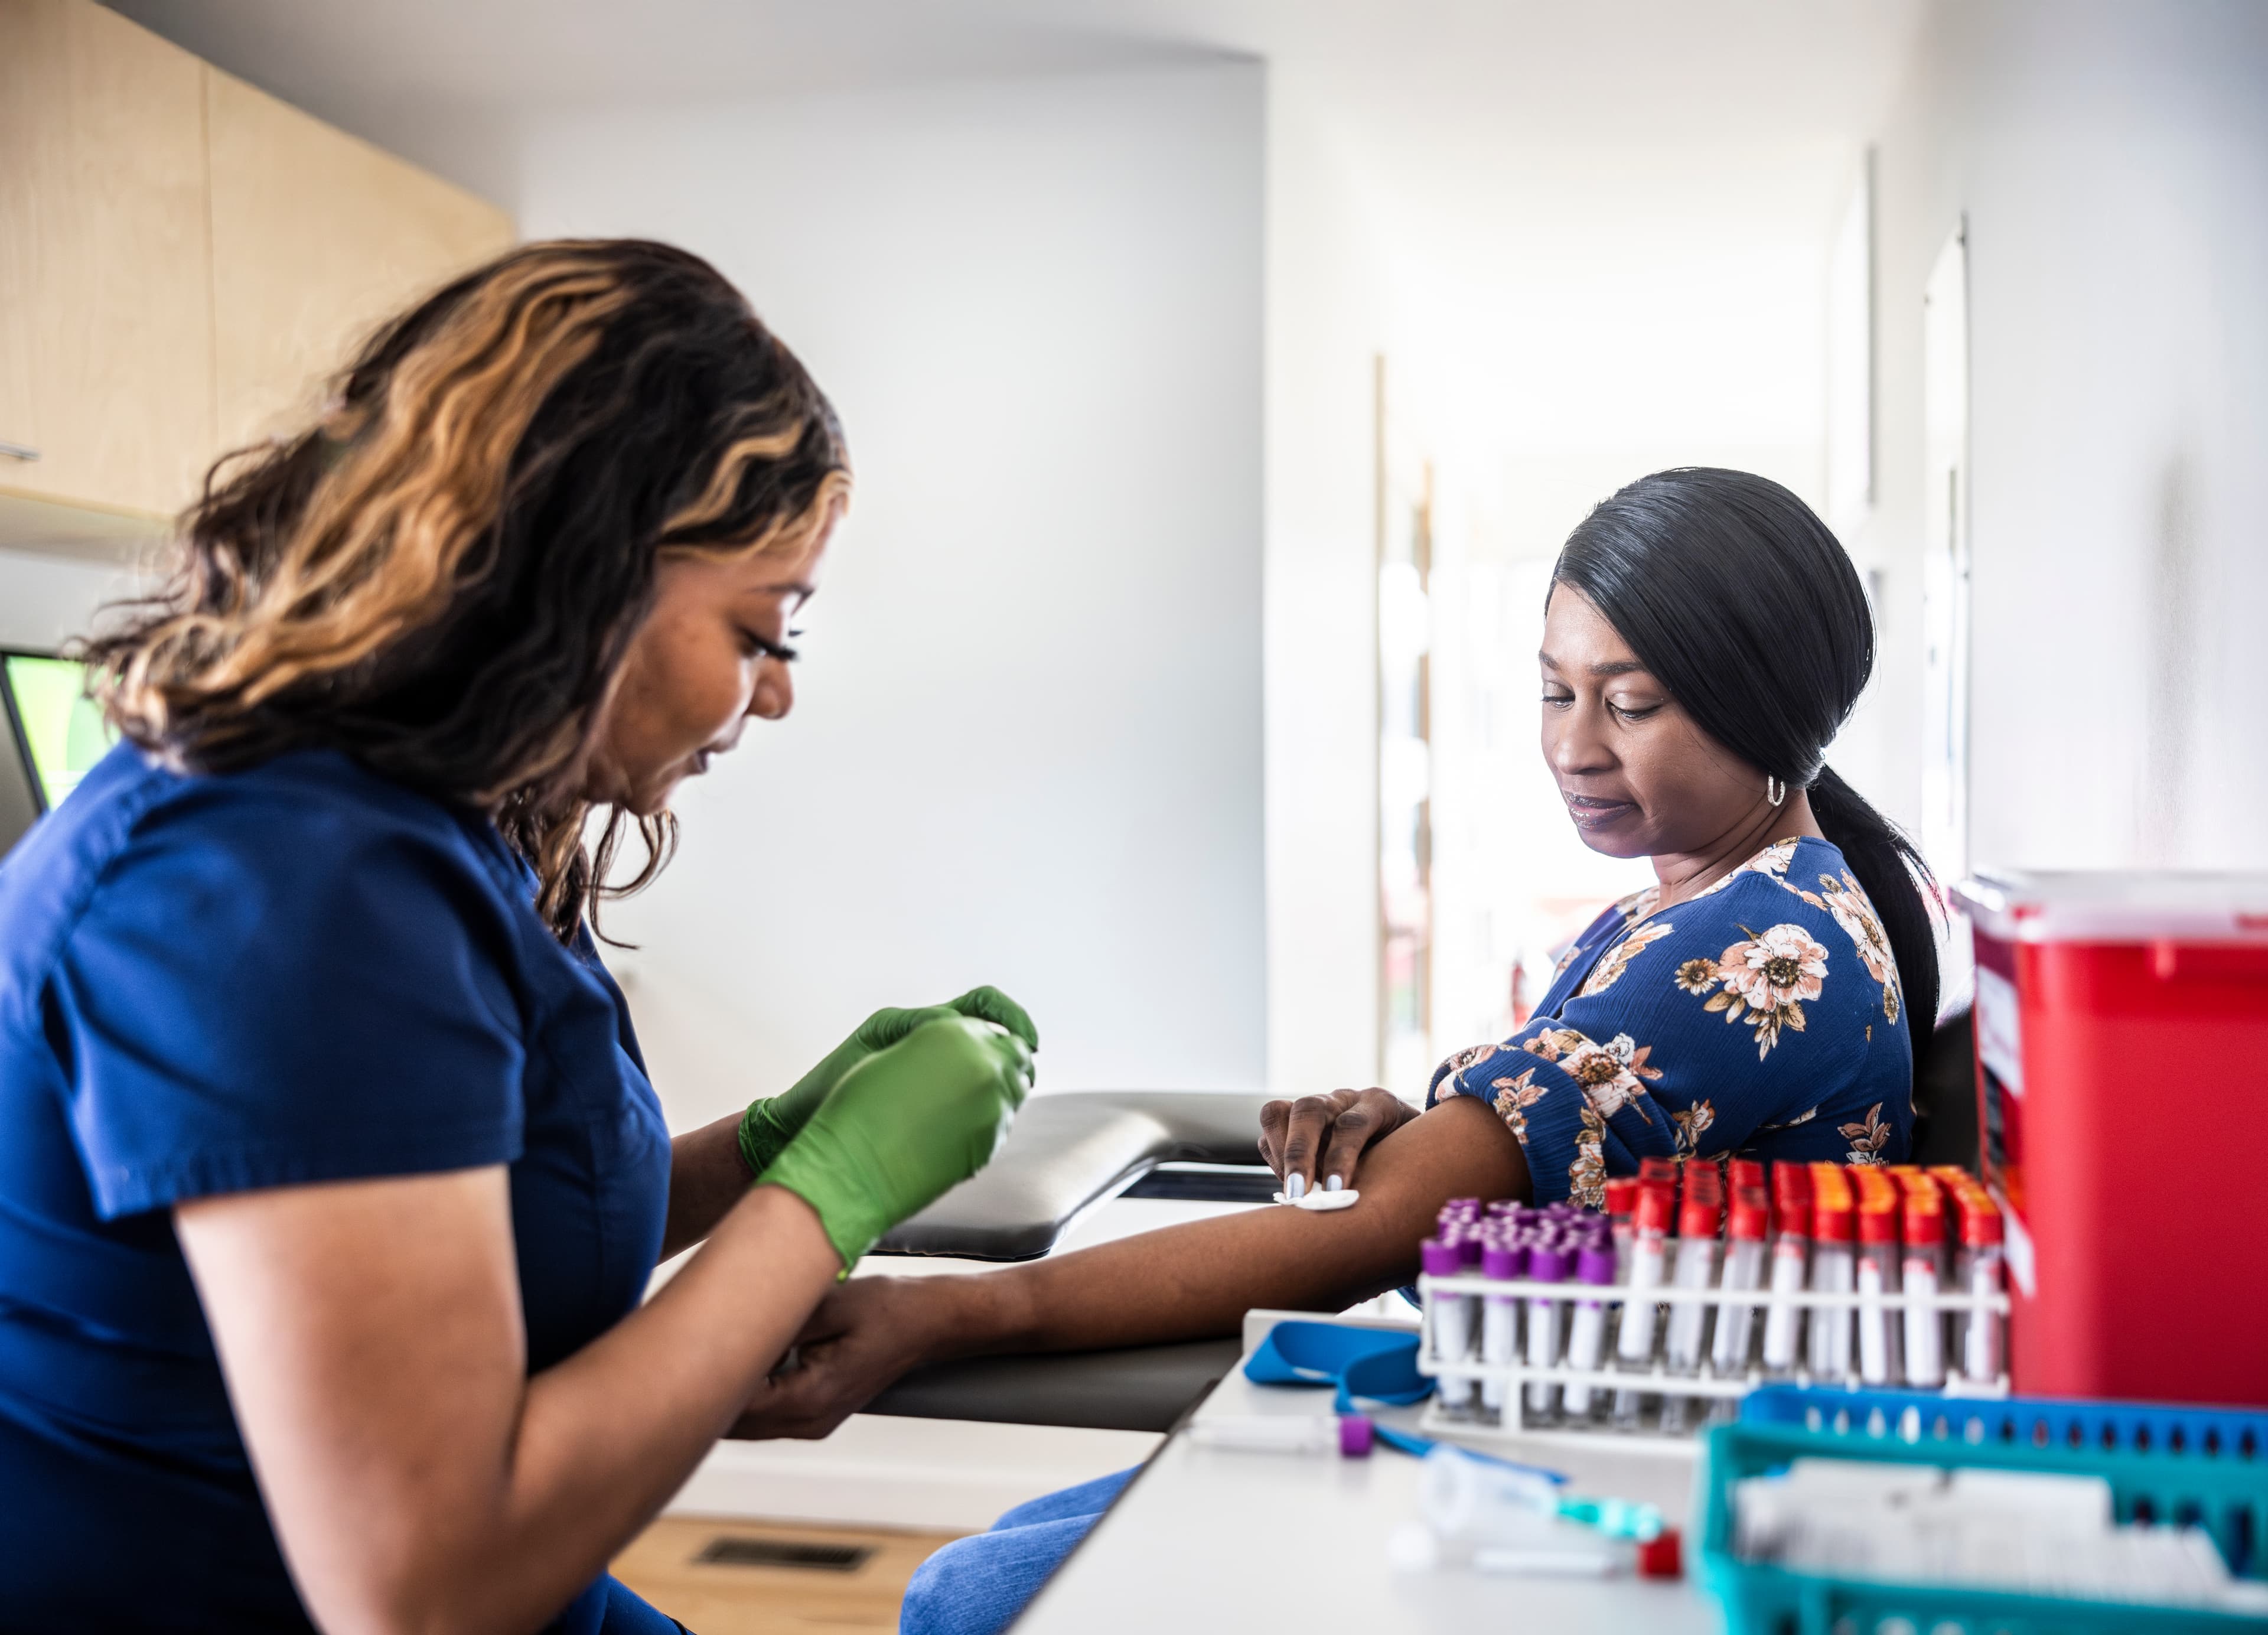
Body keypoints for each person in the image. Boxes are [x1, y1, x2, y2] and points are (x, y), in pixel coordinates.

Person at [0, 240, 1038, 1634]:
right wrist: (835, 1193)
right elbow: (423, 1588)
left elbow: (450, 1235)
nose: (775, 694)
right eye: (763, 628)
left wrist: (768, 1151)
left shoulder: (421, 827)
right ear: (586, 570)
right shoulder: (280, 885)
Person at [735, 467, 1943, 1635]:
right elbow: (1544, 1177)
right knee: (984, 1569)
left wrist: (950, 1316)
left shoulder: (1752, 948)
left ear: (1768, 707)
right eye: (1552, 690)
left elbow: (1383, 1231)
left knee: (967, 1602)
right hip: (1561, 1423)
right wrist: (1431, 1139)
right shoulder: (1725, 899)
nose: (1574, 746)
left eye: (1628, 704)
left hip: (1608, 1489)